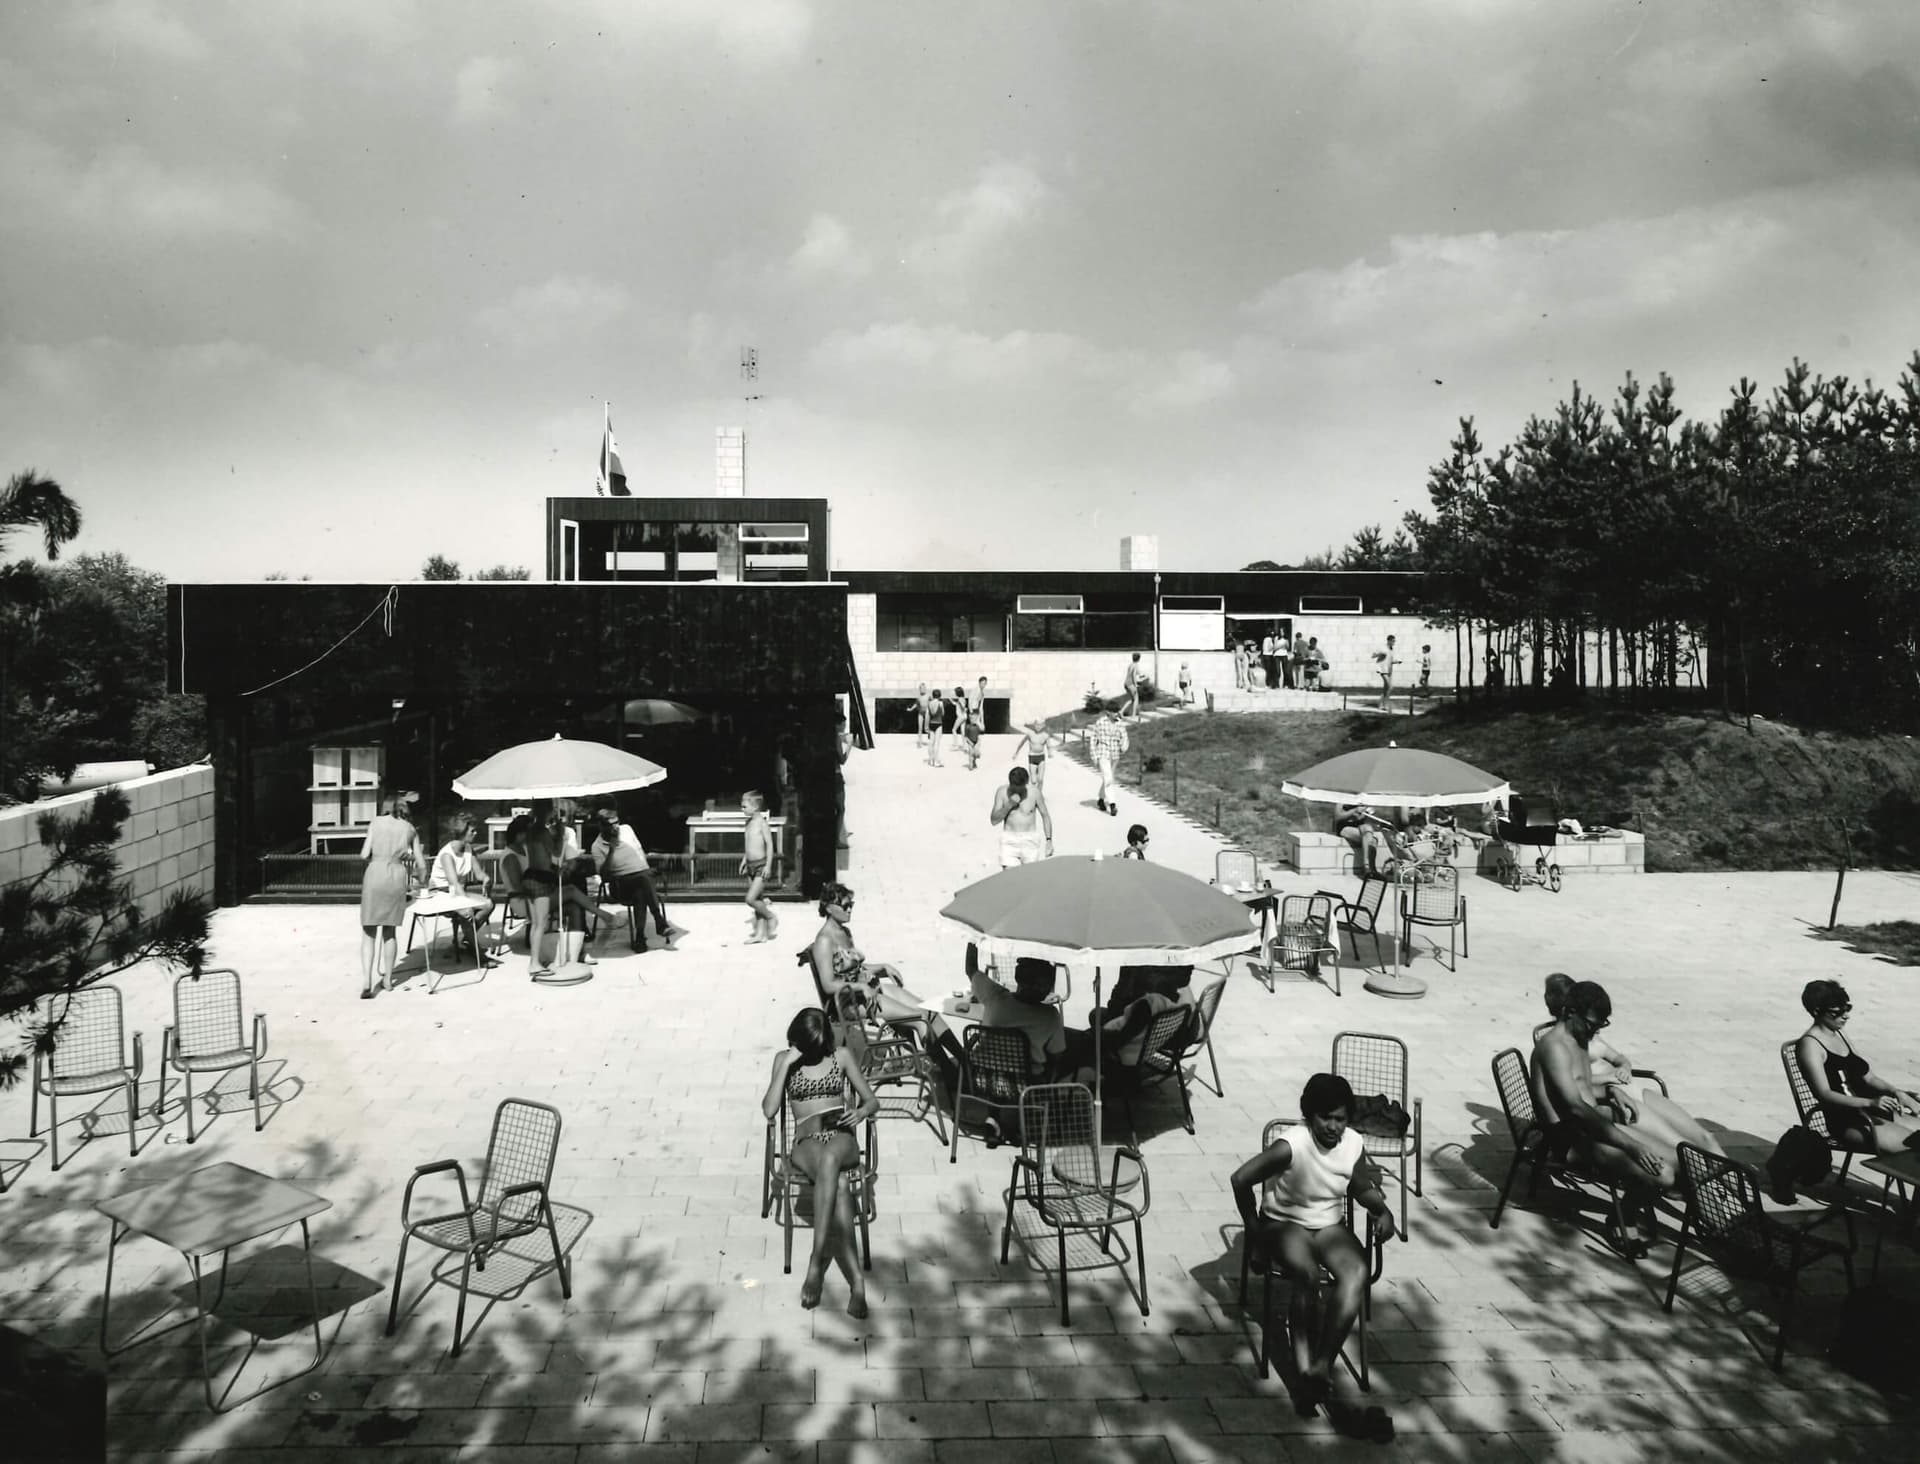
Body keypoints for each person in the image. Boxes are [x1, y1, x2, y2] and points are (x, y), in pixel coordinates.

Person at [1231, 1073, 1395, 1429]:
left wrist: (1382, 1210)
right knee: (1304, 1273)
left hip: (1328, 1226)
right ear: (1309, 1115)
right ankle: (1303, 1371)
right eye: (1326, 1118)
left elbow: (1360, 1185)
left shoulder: (1352, 1143)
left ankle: (1321, 1365)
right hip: (1284, 1223)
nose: (1333, 1127)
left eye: (1340, 1119)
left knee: (1355, 1272)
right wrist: (1254, 1229)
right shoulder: (1291, 1145)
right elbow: (1240, 1179)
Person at [761, 1007, 881, 1315]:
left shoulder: (840, 1056)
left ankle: (816, 1263)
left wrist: (862, 1112)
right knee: (840, 1183)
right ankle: (857, 1284)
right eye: (809, 1048)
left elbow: (871, 1099)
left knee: (832, 1160)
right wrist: (787, 1063)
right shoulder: (783, 1060)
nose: (816, 1053)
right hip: (805, 1143)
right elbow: (769, 1109)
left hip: (840, 1138)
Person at [1531, 980, 1671, 1242]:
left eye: (1601, 1025)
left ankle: (1631, 1204)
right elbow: (1574, 1107)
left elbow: (1582, 1088)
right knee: (1663, 1175)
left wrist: (1611, 1091)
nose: (1595, 1031)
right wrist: (1632, 1146)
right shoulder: (1554, 1048)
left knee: (1676, 1160)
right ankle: (1623, 1215)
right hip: (1570, 1139)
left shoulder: (1578, 1036)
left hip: (1589, 1126)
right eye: (1592, 1023)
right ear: (1570, 1012)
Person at [1540, 974, 1724, 1165]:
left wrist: (1620, 1074)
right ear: (1569, 1010)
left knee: (1704, 1139)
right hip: (1612, 1105)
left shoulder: (1587, 1036)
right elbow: (1575, 1095)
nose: (1596, 1030)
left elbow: (1617, 1059)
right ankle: (1712, 1188)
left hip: (1628, 1092)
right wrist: (1608, 1080)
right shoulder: (1559, 1046)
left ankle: (1735, 1189)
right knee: (1682, 1152)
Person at [1796, 979, 1920, 1156]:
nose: (1845, 1016)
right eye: (1837, 1012)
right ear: (1817, 1011)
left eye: (1847, 1009)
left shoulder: (1839, 1033)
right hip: (1848, 1121)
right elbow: (1824, 1093)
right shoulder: (1810, 1046)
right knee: (1915, 1147)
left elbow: (1869, 1077)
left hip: (1872, 1111)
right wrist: (1870, 1102)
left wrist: (1897, 1092)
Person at [808, 882, 927, 1048]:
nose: (850, 909)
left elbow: (853, 969)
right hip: (847, 1003)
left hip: (864, 994)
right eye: (845, 905)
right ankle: (944, 1070)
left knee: (929, 1012)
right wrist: (860, 987)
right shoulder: (824, 941)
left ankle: (961, 1062)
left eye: (851, 905)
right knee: (920, 1019)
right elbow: (828, 985)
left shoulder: (844, 932)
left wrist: (883, 967)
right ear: (828, 908)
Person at [358, 790, 421, 998]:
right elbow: (421, 864)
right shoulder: (410, 829)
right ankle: (388, 979)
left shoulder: (375, 823)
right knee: (389, 931)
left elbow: (364, 854)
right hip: (396, 875)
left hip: (375, 873)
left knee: (368, 932)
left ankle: (367, 980)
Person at [967, 953, 1067, 1077]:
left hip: (982, 1078)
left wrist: (974, 938)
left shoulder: (994, 995)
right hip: (1026, 1087)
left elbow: (970, 969)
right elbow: (1057, 1055)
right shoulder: (1051, 1016)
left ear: (1018, 978)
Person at [591, 805, 669, 952]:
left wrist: (645, 867)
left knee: (641, 891)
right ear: (601, 826)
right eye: (610, 825)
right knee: (643, 879)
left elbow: (638, 850)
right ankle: (659, 921)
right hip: (620, 885)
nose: (616, 828)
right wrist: (611, 851)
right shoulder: (597, 846)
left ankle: (640, 937)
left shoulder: (626, 829)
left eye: (617, 823)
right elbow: (604, 876)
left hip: (640, 880)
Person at [426, 816, 498, 966]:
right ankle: (479, 956)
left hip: (456, 891)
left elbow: (479, 873)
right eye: (472, 830)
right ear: (462, 832)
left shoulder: (468, 849)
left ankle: (467, 936)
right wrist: (466, 904)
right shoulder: (447, 855)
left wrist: (486, 879)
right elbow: (454, 884)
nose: (476, 833)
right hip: (441, 893)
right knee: (467, 914)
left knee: (489, 904)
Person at [991, 765, 1053, 866]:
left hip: (1030, 839)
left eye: (1019, 788)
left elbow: (1045, 815)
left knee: (1029, 877)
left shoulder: (1035, 793)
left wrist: (1049, 840)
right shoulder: (1002, 792)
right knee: (1009, 877)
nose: (1017, 790)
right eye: (1014, 787)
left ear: (1026, 783)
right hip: (1009, 840)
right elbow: (993, 820)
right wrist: (1009, 805)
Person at [741, 790, 778, 944]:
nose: (741, 809)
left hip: (761, 866)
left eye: (744, 806)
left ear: (755, 807)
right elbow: (748, 844)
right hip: (750, 865)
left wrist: (768, 866)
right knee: (758, 899)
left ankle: (770, 916)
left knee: (750, 899)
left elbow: (769, 845)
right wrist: (744, 860)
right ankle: (760, 934)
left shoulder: (762, 823)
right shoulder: (748, 823)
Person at [1087, 707, 1129, 817]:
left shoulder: (1120, 723)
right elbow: (1093, 740)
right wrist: (1094, 755)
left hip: (1115, 754)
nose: (1117, 714)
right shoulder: (1100, 723)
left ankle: (1101, 799)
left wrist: (1124, 746)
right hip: (1103, 753)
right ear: (1108, 712)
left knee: (1108, 778)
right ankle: (1112, 804)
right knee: (1108, 777)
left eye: (1117, 711)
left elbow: (1124, 737)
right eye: (1114, 712)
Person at [1013, 719, 1054, 788]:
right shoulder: (1030, 734)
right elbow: (1021, 743)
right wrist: (1016, 753)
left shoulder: (1045, 735)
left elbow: (1049, 746)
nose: (1038, 727)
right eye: (1037, 724)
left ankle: (1039, 794)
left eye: (1040, 725)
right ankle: (1035, 790)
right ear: (1034, 725)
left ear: (1043, 725)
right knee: (1033, 780)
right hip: (1032, 757)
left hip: (1041, 757)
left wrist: (1050, 753)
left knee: (1040, 779)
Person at [1373, 634, 1398, 711]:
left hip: (1389, 670)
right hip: (1382, 669)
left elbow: (1390, 660)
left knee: (1386, 688)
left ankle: (1381, 705)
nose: (1394, 642)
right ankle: (1385, 705)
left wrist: (1395, 662)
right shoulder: (1382, 648)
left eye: (1394, 641)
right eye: (1393, 641)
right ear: (1389, 641)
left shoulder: (1391, 649)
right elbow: (1373, 656)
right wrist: (1380, 654)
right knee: (1390, 687)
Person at [925, 687, 946, 768]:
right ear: (939, 695)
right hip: (938, 723)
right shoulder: (940, 703)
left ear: (933, 695)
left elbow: (927, 715)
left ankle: (930, 760)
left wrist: (926, 726)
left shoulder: (929, 703)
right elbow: (943, 713)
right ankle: (936, 761)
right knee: (937, 743)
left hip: (931, 723)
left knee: (931, 743)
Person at [1124, 652, 1146, 721]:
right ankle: (1133, 715)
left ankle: (1121, 712)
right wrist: (1135, 684)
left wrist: (1143, 675)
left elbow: (1138, 673)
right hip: (1131, 684)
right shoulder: (1136, 665)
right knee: (1136, 699)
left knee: (1132, 699)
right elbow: (1133, 675)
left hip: (1126, 683)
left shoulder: (1131, 664)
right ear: (1139, 658)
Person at [914, 682, 929, 748]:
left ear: (925, 689)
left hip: (927, 713)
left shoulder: (928, 696)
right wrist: (911, 709)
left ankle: (930, 734)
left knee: (926, 729)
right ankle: (919, 742)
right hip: (920, 713)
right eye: (921, 688)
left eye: (924, 688)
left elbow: (933, 703)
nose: (922, 690)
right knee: (920, 728)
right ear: (919, 689)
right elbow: (916, 704)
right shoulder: (919, 697)